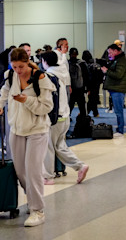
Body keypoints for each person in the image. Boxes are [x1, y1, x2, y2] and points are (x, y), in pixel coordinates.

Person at [0, 48, 54, 226]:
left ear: (28, 62)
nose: (18, 70)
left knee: (33, 170)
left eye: (21, 66)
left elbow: (47, 107)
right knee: (20, 171)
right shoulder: (10, 76)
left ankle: (37, 210)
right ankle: (32, 200)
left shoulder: (40, 78)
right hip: (16, 129)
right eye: (15, 66)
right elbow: (4, 93)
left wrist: (27, 100)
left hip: (37, 129)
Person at [38, 51, 89, 185]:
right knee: (60, 146)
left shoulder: (48, 76)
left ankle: (48, 176)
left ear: (45, 62)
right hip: (64, 116)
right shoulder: (61, 74)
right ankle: (80, 166)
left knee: (48, 147)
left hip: (54, 118)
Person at [102, 44, 126, 137]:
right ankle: (119, 129)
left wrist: (107, 71)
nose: (109, 54)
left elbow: (118, 75)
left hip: (118, 89)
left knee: (118, 111)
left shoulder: (121, 61)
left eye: (110, 52)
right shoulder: (118, 59)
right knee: (118, 110)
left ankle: (120, 130)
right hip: (116, 88)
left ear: (115, 51)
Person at [67, 48, 89, 116]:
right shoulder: (82, 63)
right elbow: (86, 76)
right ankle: (84, 119)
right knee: (82, 106)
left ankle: (67, 119)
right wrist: (87, 88)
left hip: (71, 88)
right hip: (80, 88)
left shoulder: (67, 63)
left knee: (70, 105)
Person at [82, 50, 102, 117]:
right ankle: (95, 112)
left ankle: (87, 112)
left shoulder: (85, 64)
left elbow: (87, 76)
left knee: (92, 98)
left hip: (90, 83)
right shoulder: (95, 62)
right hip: (97, 83)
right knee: (94, 98)